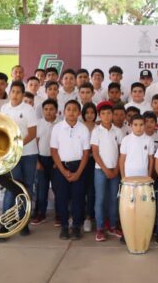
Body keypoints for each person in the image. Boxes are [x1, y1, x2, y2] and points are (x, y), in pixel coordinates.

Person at [0, 81, 37, 240]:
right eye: (13, 91)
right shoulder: (4, 108)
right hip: (11, 156)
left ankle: (23, 222)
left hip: (28, 154)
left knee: (26, 189)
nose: (15, 95)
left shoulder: (29, 109)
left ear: (23, 94)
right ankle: (4, 226)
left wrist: (17, 146)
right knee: (11, 188)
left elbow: (32, 133)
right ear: (9, 92)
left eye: (18, 92)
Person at [50, 100, 90, 240]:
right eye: (69, 109)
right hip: (62, 167)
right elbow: (54, 151)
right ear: (64, 111)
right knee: (61, 198)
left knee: (78, 198)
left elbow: (86, 153)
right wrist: (63, 171)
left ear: (79, 113)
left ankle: (76, 226)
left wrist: (78, 172)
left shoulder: (83, 129)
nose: (71, 112)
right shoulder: (57, 128)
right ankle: (64, 226)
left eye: (74, 110)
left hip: (79, 167)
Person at [90, 103, 122, 241]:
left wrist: (116, 169)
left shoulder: (118, 131)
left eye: (109, 113)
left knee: (114, 199)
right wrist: (105, 169)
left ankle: (113, 226)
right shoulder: (96, 131)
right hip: (100, 171)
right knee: (100, 199)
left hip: (115, 171)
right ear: (100, 116)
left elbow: (121, 152)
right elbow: (95, 153)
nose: (107, 116)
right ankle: (100, 228)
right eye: (103, 114)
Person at [31, 99, 59, 226]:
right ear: (42, 111)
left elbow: (63, 144)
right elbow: (34, 143)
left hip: (56, 161)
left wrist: (58, 162)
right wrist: (37, 161)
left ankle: (60, 214)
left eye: (51, 109)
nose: (48, 112)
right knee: (41, 189)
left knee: (58, 189)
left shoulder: (60, 124)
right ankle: (40, 213)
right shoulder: (38, 124)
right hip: (41, 160)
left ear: (56, 111)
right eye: (46, 109)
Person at [119, 114, 154, 178]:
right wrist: (122, 176)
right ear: (131, 125)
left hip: (144, 174)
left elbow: (151, 159)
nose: (138, 128)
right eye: (135, 125)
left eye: (141, 125)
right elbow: (122, 159)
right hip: (128, 174)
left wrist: (149, 175)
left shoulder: (149, 140)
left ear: (144, 125)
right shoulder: (126, 139)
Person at [81, 102, 98, 233]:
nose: (90, 115)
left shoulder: (99, 128)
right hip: (81, 161)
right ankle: (78, 215)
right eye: (87, 112)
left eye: (92, 112)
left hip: (94, 161)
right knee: (80, 188)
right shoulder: (79, 127)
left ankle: (88, 217)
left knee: (91, 190)